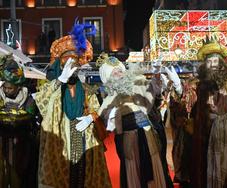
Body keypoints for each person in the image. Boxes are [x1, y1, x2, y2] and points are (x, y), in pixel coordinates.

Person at [35, 22, 111, 188]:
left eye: (75, 66)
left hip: (85, 139)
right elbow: (43, 104)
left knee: (83, 177)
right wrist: (60, 81)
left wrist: (90, 118)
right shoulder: (52, 87)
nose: (72, 70)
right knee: (64, 177)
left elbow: (97, 110)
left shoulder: (86, 89)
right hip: (60, 140)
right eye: (67, 66)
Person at [185, 37, 227, 188]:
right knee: (210, 161)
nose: (213, 65)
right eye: (210, 61)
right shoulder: (198, 84)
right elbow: (189, 108)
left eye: (216, 61)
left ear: (222, 63)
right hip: (208, 131)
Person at [97, 53, 169, 188]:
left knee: (152, 164)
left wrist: (157, 73)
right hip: (129, 138)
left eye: (119, 70)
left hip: (147, 133)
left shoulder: (138, 82)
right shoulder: (109, 98)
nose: (118, 74)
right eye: (114, 72)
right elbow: (106, 120)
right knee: (133, 168)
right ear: (108, 77)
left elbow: (155, 89)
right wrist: (115, 114)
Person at [0, 54, 39, 187]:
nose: (6, 90)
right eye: (5, 87)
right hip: (2, 142)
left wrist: (15, 117)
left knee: (20, 174)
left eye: (10, 88)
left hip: (22, 144)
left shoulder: (28, 99)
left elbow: (30, 116)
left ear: (18, 87)